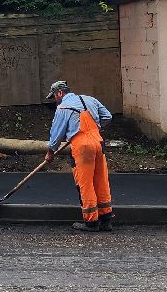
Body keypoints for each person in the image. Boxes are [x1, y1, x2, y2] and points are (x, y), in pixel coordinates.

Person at [44, 79, 115, 232]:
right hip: (98, 142)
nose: (55, 100)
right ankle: (106, 219)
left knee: (85, 183)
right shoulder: (90, 99)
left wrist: (51, 152)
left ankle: (91, 222)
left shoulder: (63, 107)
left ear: (60, 93)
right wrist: (93, 129)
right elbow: (108, 116)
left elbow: (56, 134)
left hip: (82, 147)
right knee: (101, 179)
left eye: (54, 96)